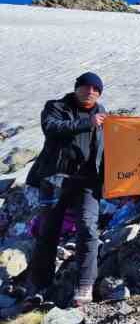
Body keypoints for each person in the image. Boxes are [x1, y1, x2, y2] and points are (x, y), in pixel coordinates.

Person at [23, 72, 107, 306]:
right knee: (48, 232)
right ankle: (38, 288)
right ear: (77, 88)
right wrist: (86, 123)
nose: (90, 91)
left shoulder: (102, 114)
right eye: (86, 87)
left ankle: (84, 285)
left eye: (95, 89)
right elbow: (52, 128)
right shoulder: (56, 107)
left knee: (88, 229)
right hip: (55, 179)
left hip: (88, 182)